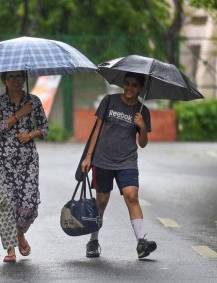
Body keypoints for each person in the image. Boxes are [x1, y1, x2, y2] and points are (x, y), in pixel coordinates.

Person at [81, 72, 157, 259]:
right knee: (102, 201)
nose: (130, 88)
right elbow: (97, 130)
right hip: (102, 159)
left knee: (132, 196)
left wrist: (141, 126)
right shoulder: (109, 101)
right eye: (128, 83)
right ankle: (93, 241)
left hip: (127, 161)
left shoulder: (142, 111)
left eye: (135, 85)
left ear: (140, 88)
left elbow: (143, 143)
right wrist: (88, 156)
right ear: (124, 84)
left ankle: (141, 242)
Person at [0, 70, 49, 263]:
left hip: (28, 159)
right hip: (3, 159)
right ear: (5, 80)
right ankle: (10, 249)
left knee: (28, 201)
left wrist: (31, 135)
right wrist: (20, 114)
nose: (15, 80)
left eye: (18, 77)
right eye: (10, 77)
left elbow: (45, 128)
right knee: (5, 203)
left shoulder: (34, 101)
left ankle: (20, 233)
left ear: (24, 79)